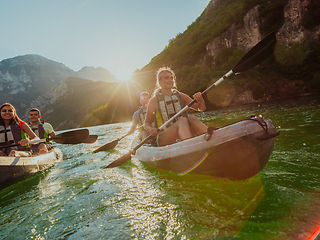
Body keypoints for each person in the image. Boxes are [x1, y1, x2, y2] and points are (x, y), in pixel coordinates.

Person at [144, 67, 208, 146]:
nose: (170, 80)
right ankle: (189, 146)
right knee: (183, 120)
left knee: (192, 118)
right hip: (165, 136)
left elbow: (201, 108)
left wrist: (200, 99)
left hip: (184, 131)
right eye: (166, 78)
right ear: (159, 82)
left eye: (172, 78)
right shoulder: (154, 100)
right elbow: (146, 123)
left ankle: (212, 136)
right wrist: (151, 129)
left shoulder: (181, 96)